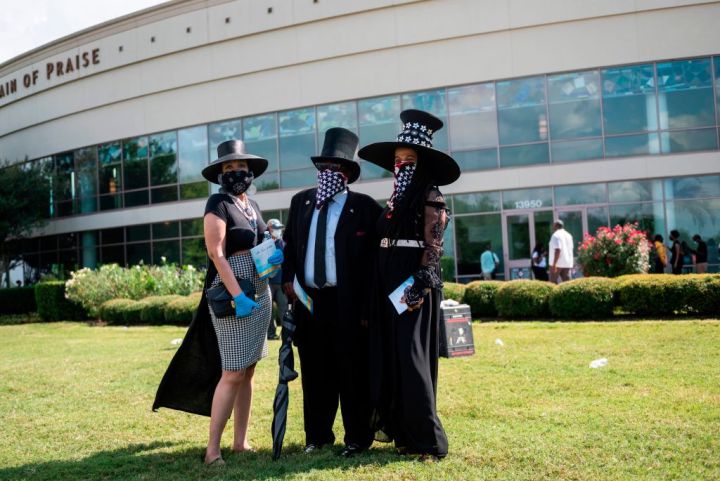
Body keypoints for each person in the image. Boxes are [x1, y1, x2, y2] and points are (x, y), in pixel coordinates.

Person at [153, 140, 282, 466]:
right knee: (233, 371)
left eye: (239, 168)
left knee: (249, 369)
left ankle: (240, 442)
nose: (235, 173)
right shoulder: (218, 203)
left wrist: (272, 248)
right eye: (228, 169)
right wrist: (237, 294)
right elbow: (216, 253)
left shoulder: (251, 205)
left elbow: (258, 245)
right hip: (233, 289)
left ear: (250, 172)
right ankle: (213, 450)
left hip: (259, 286)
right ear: (220, 175)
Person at [358, 109, 461, 460]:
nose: (401, 164)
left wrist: (418, 286)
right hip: (385, 288)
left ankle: (430, 443)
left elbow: (433, 249)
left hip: (412, 289)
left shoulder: (431, 195)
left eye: (409, 159)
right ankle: (402, 434)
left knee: (413, 360)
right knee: (391, 359)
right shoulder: (393, 201)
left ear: (423, 163)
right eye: (398, 159)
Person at [281, 127, 383, 457]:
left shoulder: (365, 207)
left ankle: (357, 437)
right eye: (324, 168)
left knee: (352, 371)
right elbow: (290, 249)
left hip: (349, 303)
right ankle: (318, 436)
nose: (329, 174)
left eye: (336, 168)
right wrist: (288, 282)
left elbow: (374, 263)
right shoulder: (301, 202)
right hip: (310, 300)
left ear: (348, 174)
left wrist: (368, 309)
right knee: (315, 371)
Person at [266, 218, 287, 340]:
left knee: (284, 309)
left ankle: (286, 333)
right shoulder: (264, 244)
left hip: (281, 282)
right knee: (269, 311)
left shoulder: (283, 243)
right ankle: (271, 334)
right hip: (268, 282)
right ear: (269, 229)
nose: (278, 231)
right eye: (276, 229)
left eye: (279, 229)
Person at [549, 219, 573, 284]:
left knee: (552, 283)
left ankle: (556, 294)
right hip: (567, 263)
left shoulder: (556, 235)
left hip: (557, 264)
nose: (552, 227)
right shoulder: (569, 235)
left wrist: (554, 264)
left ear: (556, 226)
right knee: (567, 284)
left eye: (553, 226)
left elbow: (558, 250)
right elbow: (570, 249)